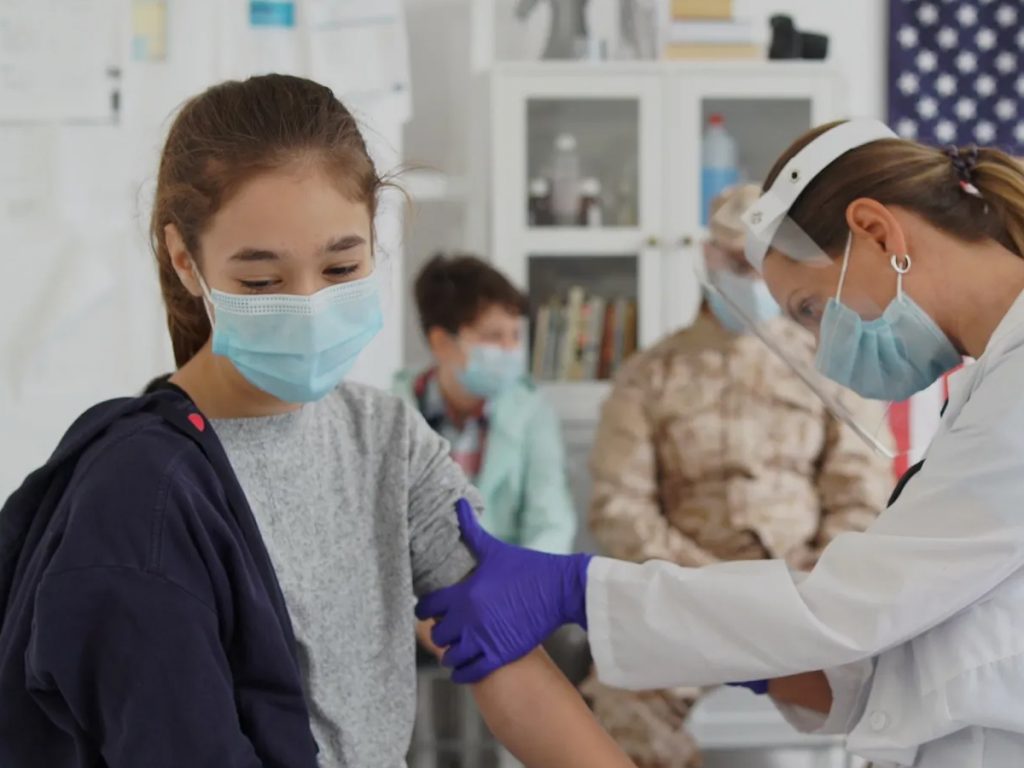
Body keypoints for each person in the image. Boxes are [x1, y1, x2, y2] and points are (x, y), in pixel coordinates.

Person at [0, 74, 635, 768]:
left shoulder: (388, 441)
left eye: (340, 267)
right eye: (262, 282)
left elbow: (503, 655)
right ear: (186, 261)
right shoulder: (141, 492)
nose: (308, 304)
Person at [417, 118, 1024, 767]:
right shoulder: (994, 381)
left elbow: (857, 604)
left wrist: (578, 588)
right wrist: (735, 638)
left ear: (876, 232)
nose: (822, 348)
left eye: (811, 308)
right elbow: (891, 641)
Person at [581, 184, 891, 767]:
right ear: (708, 257)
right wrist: (704, 588)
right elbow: (620, 506)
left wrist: (812, 584)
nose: (753, 279)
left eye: (764, 264)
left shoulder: (829, 364)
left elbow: (861, 492)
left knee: (898, 691)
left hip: (806, 599)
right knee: (619, 710)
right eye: (738, 263)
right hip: (685, 598)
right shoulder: (649, 374)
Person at [394, 253, 576, 554]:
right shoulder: (391, 414)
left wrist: (516, 580)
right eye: (493, 336)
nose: (510, 349)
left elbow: (551, 524)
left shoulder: (532, 412)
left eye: (515, 335)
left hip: (511, 577)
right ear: (441, 342)